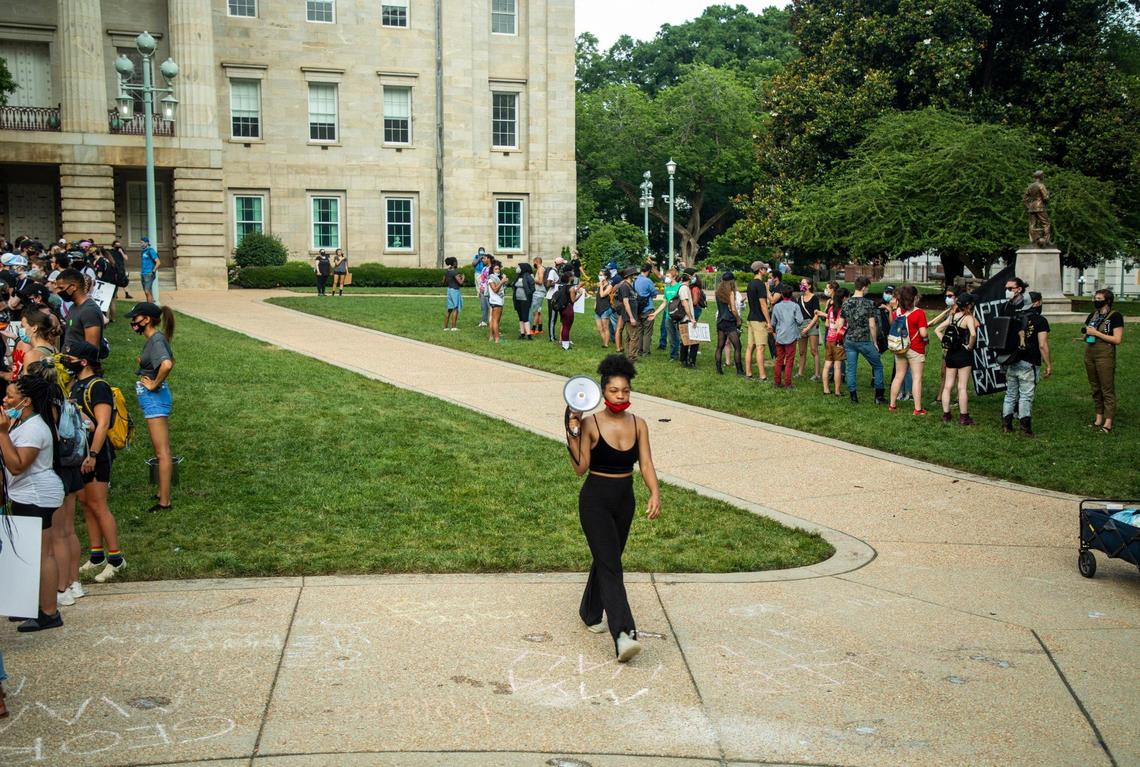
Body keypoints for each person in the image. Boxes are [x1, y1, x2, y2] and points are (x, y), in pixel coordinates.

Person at [565, 355, 660, 662]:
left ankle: (590, 611)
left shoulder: (639, 424)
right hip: (595, 500)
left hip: (625, 499)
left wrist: (654, 492)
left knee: (608, 559)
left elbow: (645, 463)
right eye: (614, 391)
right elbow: (580, 468)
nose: (621, 396)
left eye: (626, 391)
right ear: (602, 393)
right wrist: (572, 430)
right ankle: (624, 634)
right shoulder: (591, 423)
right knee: (611, 565)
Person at [1, 374, 66, 631]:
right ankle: (28, 605)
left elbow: (17, 466)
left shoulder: (34, 428)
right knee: (28, 553)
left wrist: (2, 434)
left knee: (42, 554)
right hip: (27, 494)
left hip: (36, 495)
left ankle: (49, 612)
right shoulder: (23, 422)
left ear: (25, 401)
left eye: (10, 396)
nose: (5, 400)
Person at [62, 340, 124, 584]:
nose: (67, 362)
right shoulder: (75, 384)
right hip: (80, 454)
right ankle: (97, 555)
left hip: (96, 455)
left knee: (98, 505)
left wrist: (94, 455)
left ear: (84, 362)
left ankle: (117, 560)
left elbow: (103, 424)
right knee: (86, 504)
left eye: (71, 358)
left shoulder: (98, 386)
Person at [127, 302, 176, 512]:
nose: (133, 323)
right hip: (152, 399)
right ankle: (161, 491)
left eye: (136, 318)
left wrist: (154, 384)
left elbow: (167, 364)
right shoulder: (155, 339)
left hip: (155, 399)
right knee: (160, 451)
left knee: (162, 452)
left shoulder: (156, 339)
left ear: (146, 319)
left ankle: (164, 502)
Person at [1002, 290, 1053, 436]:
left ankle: (1007, 424)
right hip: (1029, 361)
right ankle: (1025, 427)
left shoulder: (1014, 316)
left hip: (1012, 360)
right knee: (1025, 396)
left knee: (1010, 394)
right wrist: (1048, 363)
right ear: (1036, 303)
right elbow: (1042, 345)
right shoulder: (1040, 321)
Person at [1082, 288, 1124, 434]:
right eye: (1095, 298)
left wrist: (1097, 333)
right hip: (1089, 353)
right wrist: (1086, 335)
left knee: (1107, 388)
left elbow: (1117, 340)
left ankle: (1108, 421)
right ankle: (1098, 418)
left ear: (1108, 300)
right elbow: (1088, 331)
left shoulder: (1115, 316)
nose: (1096, 301)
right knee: (1095, 387)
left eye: (1099, 299)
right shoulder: (1093, 315)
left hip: (1105, 355)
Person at [935, 292, 978, 425]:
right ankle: (964, 417)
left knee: (948, 386)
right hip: (963, 354)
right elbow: (973, 333)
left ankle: (946, 415)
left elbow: (937, 329)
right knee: (962, 387)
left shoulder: (952, 317)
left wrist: (945, 342)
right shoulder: (968, 318)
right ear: (969, 305)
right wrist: (970, 346)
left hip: (951, 354)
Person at [842, 276, 885, 404]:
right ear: (864, 287)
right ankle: (878, 396)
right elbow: (872, 325)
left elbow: (840, 323)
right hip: (864, 340)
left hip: (850, 340)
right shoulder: (869, 303)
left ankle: (853, 396)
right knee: (877, 366)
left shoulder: (846, 303)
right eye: (868, 287)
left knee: (851, 369)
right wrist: (875, 342)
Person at [886, 285, 929, 414]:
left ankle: (892, 405)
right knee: (917, 378)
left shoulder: (897, 312)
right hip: (915, 348)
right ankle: (917, 408)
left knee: (898, 376)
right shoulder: (919, 313)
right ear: (914, 297)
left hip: (900, 348)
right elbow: (923, 334)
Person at [57, 268, 104, 352]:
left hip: (79, 364)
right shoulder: (73, 307)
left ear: (73, 287)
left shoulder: (89, 311)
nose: (58, 291)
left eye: (61, 288)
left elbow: (92, 349)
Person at [770, 284, 805, 388]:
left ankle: (777, 382)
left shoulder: (776, 306)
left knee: (779, 360)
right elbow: (800, 321)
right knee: (789, 360)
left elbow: (773, 322)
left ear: (781, 294)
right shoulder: (795, 306)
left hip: (780, 336)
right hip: (791, 336)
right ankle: (788, 383)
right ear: (791, 294)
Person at [744, 261, 771, 383]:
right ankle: (762, 376)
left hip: (751, 318)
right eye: (764, 269)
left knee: (750, 347)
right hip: (759, 320)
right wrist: (769, 321)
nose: (766, 271)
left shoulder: (750, 284)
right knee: (760, 348)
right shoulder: (759, 285)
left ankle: (748, 373)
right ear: (760, 270)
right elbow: (763, 304)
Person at [714, 272, 744, 376]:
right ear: (732, 281)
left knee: (720, 346)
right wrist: (738, 319)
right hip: (729, 322)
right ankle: (739, 370)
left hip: (720, 321)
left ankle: (718, 369)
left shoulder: (717, 292)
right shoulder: (730, 292)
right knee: (737, 346)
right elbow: (733, 309)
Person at [796, 280, 821, 381]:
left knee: (814, 350)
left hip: (812, 325)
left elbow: (817, 314)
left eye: (804, 283)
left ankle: (817, 374)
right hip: (801, 325)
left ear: (809, 286)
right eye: (801, 283)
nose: (801, 285)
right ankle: (800, 373)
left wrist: (808, 328)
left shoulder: (814, 298)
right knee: (801, 352)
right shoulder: (800, 298)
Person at [557, 265, 585, 351]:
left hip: (562, 308)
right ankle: (565, 345)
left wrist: (578, 288)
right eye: (572, 275)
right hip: (568, 308)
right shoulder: (571, 288)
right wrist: (580, 294)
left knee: (565, 325)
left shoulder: (563, 286)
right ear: (569, 278)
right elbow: (573, 300)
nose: (573, 277)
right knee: (566, 326)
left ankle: (565, 342)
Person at [615, 267, 641, 362]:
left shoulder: (629, 285)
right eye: (634, 275)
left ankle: (628, 355)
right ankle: (632, 357)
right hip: (629, 315)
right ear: (630, 276)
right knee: (634, 336)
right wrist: (631, 317)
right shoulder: (625, 286)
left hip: (632, 314)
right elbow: (626, 302)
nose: (635, 276)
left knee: (630, 336)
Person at [675, 271, 699, 369]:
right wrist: (691, 318)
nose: (694, 278)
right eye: (692, 276)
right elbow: (685, 304)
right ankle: (690, 361)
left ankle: (684, 360)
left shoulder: (683, 287)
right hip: (686, 319)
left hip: (685, 319)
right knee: (693, 341)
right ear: (688, 278)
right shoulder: (684, 288)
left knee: (685, 341)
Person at [634, 264, 658, 356]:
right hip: (648, 308)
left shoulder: (635, 280)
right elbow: (655, 293)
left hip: (638, 308)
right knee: (647, 331)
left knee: (639, 330)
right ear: (648, 271)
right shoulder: (648, 281)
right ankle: (646, 351)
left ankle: (639, 350)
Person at [657, 268, 680, 358]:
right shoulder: (666, 288)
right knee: (671, 337)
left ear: (674, 277)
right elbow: (664, 303)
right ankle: (673, 355)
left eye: (668, 276)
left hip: (678, 316)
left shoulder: (680, 287)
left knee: (679, 337)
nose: (666, 278)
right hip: (668, 316)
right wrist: (655, 314)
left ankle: (681, 354)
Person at [512, 262, 536, 340]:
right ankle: (522, 334)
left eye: (519, 267)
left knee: (525, 317)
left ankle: (528, 335)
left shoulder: (528, 277)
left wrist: (529, 293)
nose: (517, 268)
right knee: (521, 317)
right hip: (517, 300)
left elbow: (533, 288)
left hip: (525, 300)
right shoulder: (518, 276)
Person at [546, 256, 566, 342]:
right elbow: (548, 284)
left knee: (555, 318)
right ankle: (551, 337)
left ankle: (553, 336)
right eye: (562, 264)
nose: (563, 266)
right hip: (552, 298)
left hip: (555, 297)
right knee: (552, 318)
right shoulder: (552, 272)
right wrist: (555, 284)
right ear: (560, 264)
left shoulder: (556, 271)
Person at [442, 256, 464, 331]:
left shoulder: (447, 271)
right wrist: (463, 278)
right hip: (455, 291)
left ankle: (445, 327)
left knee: (449, 309)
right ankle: (454, 327)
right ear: (454, 263)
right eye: (456, 261)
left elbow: (443, 281)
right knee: (455, 308)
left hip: (449, 290)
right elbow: (460, 282)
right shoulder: (455, 272)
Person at [486, 260, 505, 343]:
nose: (498, 270)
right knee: (495, 321)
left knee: (493, 320)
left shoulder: (495, 278)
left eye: (498, 269)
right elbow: (495, 290)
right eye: (496, 269)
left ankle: (491, 337)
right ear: (492, 270)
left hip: (495, 301)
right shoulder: (491, 279)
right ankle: (497, 339)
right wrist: (502, 282)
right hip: (496, 302)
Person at [594, 269, 614, 348]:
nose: (600, 276)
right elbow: (598, 296)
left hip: (605, 308)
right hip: (598, 308)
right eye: (599, 275)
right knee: (600, 328)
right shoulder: (600, 284)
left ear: (606, 276)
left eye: (601, 275)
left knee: (605, 327)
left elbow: (602, 295)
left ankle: (606, 344)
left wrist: (601, 285)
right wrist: (595, 304)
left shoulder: (609, 286)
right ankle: (604, 341)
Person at [139, 236, 159, 303]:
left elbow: (158, 262)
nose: (141, 244)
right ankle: (151, 306)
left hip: (149, 274)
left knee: (147, 291)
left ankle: (149, 307)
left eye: (142, 242)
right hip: (143, 274)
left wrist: (153, 271)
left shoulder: (151, 251)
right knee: (147, 291)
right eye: (140, 242)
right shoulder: (143, 251)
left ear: (147, 243)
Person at [529, 257, 546, 335]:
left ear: (536, 261)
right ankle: (540, 329)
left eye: (534, 262)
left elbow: (540, 281)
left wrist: (532, 278)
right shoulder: (540, 269)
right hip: (538, 293)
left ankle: (533, 329)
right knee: (538, 311)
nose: (533, 264)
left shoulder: (540, 269)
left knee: (535, 311)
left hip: (538, 293)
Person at [476, 252, 492, 328]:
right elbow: (482, 280)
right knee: (483, 306)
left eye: (484, 258)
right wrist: (480, 290)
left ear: (488, 259)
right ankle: (484, 321)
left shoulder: (492, 268)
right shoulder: (484, 268)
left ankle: (492, 321)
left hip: (489, 290)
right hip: (482, 290)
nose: (482, 260)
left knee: (490, 307)